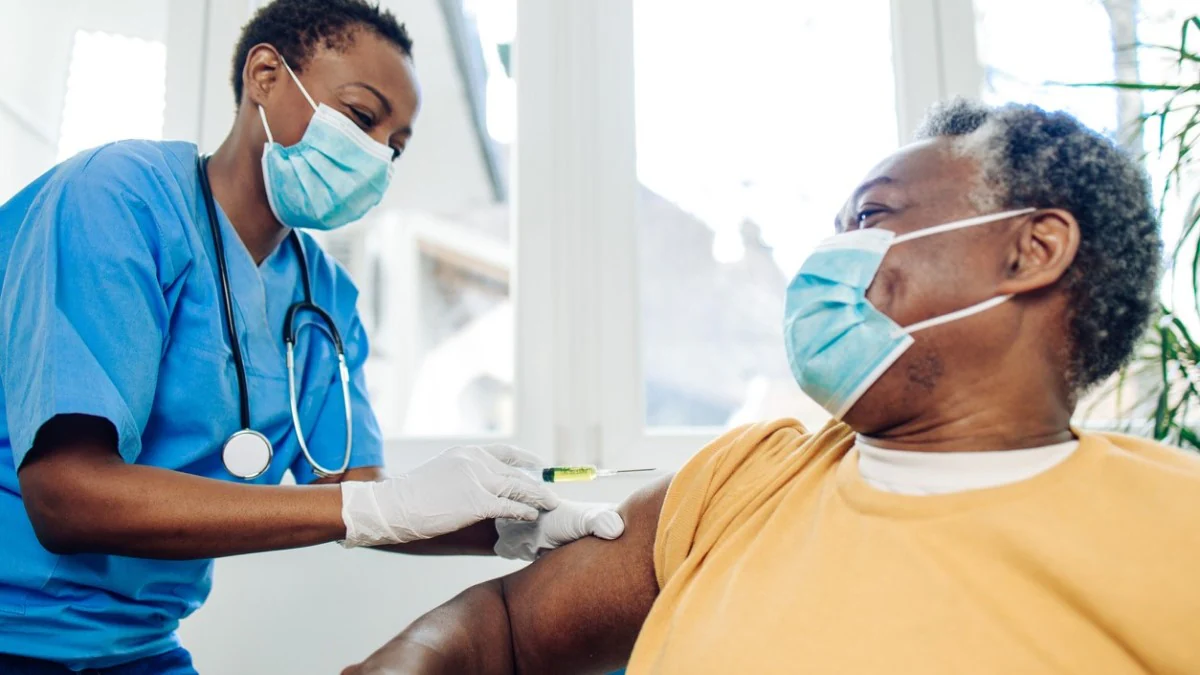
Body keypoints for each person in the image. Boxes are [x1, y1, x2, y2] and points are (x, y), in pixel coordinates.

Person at [343, 100, 1200, 675]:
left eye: (872, 217)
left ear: (1030, 251)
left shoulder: (1174, 530)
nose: (826, 259)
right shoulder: (746, 479)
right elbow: (502, 627)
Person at [0, 1, 622, 672]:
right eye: (361, 115)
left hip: (138, 647)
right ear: (264, 74)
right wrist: (374, 505)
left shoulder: (323, 297)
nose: (378, 154)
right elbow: (66, 495)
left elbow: (360, 489)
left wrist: (515, 523)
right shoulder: (117, 202)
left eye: (395, 145)